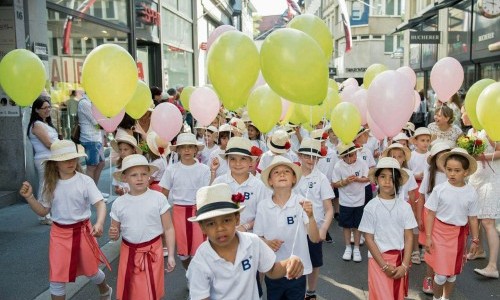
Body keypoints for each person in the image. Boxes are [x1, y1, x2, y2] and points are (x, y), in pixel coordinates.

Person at [19, 140, 111, 300]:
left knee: (92, 272)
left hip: (84, 233)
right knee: (57, 277)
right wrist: (30, 198)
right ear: (54, 163)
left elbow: (100, 203)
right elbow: (43, 210)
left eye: (73, 158)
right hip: (59, 235)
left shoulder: (85, 181)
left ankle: (105, 289)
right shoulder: (49, 184)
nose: (70, 162)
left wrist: (100, 222)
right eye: (64, 159)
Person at [186, 183, 304, 300]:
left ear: (237, 219)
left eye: (226, 220)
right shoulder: (200, 262)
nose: (220, 228)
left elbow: (271, 270)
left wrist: (290, 263)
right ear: (202, 227)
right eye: (211, 223)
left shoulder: (252, 242)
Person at [109, 154, 176, 299]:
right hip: (128, 253)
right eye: (134, 175)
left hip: (153, 252)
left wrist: (170, 255)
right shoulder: (118, 204)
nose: (139, 178)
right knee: (131, 292)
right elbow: (114, 232)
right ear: (125, 178)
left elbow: (169, 228)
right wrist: (113, 234)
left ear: (149, 177)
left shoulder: (158, 198)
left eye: (143, 174)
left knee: (151, 291)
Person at [253, 156, 320, 300]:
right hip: (273, 268)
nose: (282, 174)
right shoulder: (263, 206)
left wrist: (311, 217)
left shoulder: (302, 202)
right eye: (276, 172)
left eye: (286, 171)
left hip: (297, 269)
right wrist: (267, 243)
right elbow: (257, 236)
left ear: (294, 179)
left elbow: (314, 238)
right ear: (270, 181)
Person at [424, 148, 480, 300]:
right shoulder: (439, 189)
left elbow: (473, 218)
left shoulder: (471, 193)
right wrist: (428, 237)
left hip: (458, 236)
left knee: (451, 274)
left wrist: (475, 239)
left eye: (457, 170)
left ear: (466, 172)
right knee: (441, 275)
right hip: (439, 233)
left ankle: (445, 298)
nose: (452, 174)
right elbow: (430, 214)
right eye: (449, 170)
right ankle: (436, 298)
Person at [358, 157, 416, 300]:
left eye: (391, 177)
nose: (387, 181)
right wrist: (383, 266)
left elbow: (409, 237)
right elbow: (369, 239)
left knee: (396, 296)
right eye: (383, 176)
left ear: (397, 181)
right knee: (381, 296)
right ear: (376, 179)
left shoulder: (405, 207)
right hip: (378, 261)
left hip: (399, 259)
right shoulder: (371, 207)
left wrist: (405, 264)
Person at [159, 132, 210, 271]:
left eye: (190, 147)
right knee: (183, 252)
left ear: (195, 149)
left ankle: (197, 278)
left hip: (198, 210)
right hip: (179, 212)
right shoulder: (171, 170)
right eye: (183, 147)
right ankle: (189, 272)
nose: (186, 150)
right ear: (178, 150)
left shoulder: (204, 169)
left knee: (199, 249)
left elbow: (205, 192)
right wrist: (162, 215)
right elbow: (164, 193)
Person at [294, 138, 334, 300]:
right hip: (294, 228)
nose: (311, 160)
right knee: (296, 261)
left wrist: (324, 228)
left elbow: (329, 209)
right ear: (300, 156)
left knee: (314, 262)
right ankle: (296, 290)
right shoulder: (293, 176)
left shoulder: (321, 178)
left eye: (314, 157)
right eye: (307, 156)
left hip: (314, 229)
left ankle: (311, 291)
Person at [212, 137, 269, 233]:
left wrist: (246, 226)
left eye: (243, 159)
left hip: (250, 237)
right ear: (227, 160)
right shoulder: (219, 183)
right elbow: (212, 211)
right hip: (223, 236)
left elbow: (264, 215)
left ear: (250, 161)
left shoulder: (259, 186)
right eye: (233, 159)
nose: (238, 163)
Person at [417, 142, 451, 294]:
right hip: (430, 216)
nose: (443, 161)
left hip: (447, 219)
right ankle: (429, 277)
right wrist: (419, 218)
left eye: (447, 157)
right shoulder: (430, 173)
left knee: (445, 250)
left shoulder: (453, 175)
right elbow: (422, 196)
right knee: (430, 249)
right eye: (440, 157)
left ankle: (443, 275)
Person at [466, 127, 500, 279]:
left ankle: (492, 266)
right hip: (476, 178)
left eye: (464, 111)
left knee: (487, 221)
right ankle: (479, 250)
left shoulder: (490, 128)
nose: (463, 114)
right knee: (475, 217)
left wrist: (482, 157)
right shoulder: (471, 132)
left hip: (491, 178)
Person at [381, 143, 420, 264]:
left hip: (404, 206)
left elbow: (412, 194)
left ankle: (412, 251)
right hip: (388, 206)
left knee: (407, 230)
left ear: (404, 158)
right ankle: (390, 251)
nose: (397, 160)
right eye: (393, 157)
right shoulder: (385, 174)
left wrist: (413, 211)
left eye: (399, 157)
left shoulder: (409, 173)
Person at [332, 143, 369, 262]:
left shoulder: (361, 163)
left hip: (359, 200)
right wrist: (345, 182)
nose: (355, 157)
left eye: (355, 154)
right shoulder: (338, 166)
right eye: (352, 155)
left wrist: (358, 179)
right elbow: (335, 183)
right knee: (346, 226)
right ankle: (348, 247)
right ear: (344, 157)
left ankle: (357, 248)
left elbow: (368, 178)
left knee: (357, 225)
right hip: (345, 201)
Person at [27, 96, 60, 225]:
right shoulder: (37, 125)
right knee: (45, 186)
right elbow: (47, 143)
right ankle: (43, 216)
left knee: (50, 186)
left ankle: (47, 212)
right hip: (44, 159)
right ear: (36, 110)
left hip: (51, 158)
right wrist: (64, 148)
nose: (47, 110)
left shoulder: (46, 123)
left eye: (49, 107)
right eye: (44, 108)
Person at [77, 93, 107, 197]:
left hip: (96, 138)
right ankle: (90, 194)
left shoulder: (93, 102)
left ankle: (94, 191)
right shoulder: (84, 103)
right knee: (91, 166)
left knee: (101, 163)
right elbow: (96, 122)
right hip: (90, 138)